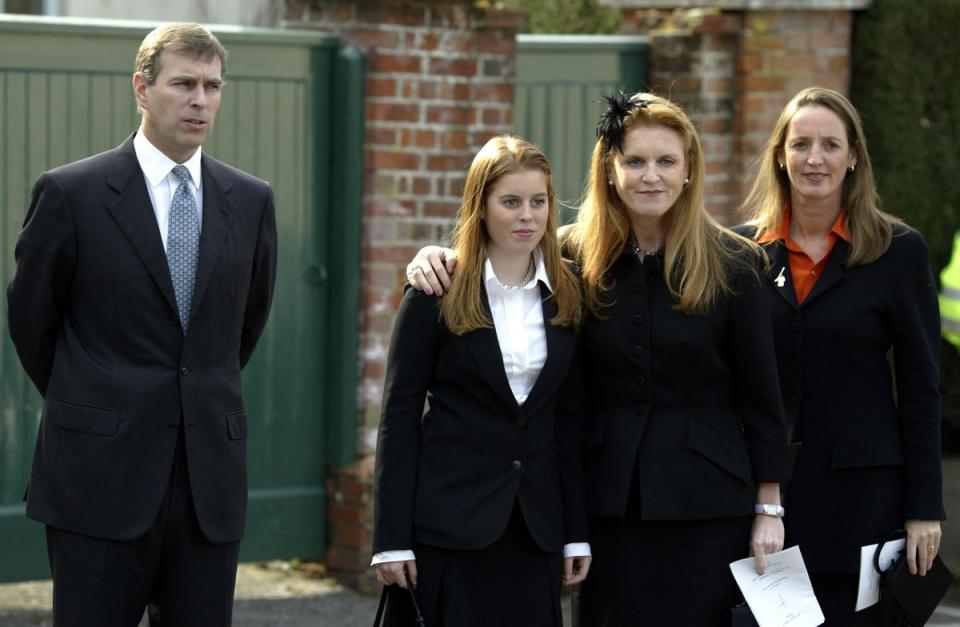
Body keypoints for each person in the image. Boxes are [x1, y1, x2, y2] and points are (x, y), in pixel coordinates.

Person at [404, 93, 798, 626]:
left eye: (666, 162)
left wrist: (768, 508)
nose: (650, 176)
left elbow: (763, 395)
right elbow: (495, 261)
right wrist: (436, 257)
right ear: (610, 171)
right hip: (607, 503)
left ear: (688, 172)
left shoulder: (736, 263)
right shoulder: (567, 256)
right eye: (634, 161)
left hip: (709, 506)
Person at [6, 23, 277, 626]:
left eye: (212, 86)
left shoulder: (251, 199)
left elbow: (244, 328)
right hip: (98, 477)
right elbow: (32, 321)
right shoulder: (70, 194)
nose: (200, 100)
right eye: (183, 83)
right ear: (142, 88)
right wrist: (97, 398)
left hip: (208, 480)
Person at [738, 86, 944, 626]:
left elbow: (922, 386)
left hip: (865, 499)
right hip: (767, 499)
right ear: (780, 154)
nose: (815, 159)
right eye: (801, 144)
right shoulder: (739, 254)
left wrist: (924, 507)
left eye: (831, 145)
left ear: (854, 156)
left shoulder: (899, 251)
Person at [372, 135, 591, 627]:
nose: (527, 215)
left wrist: (575, 532)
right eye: (510, 202)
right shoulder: (435, 292)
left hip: (534, 531)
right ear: (481, 205)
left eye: (538, 202)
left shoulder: (570, 294)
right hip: (450, 525)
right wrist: (390, 540)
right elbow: (398, 421)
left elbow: (570, 423)